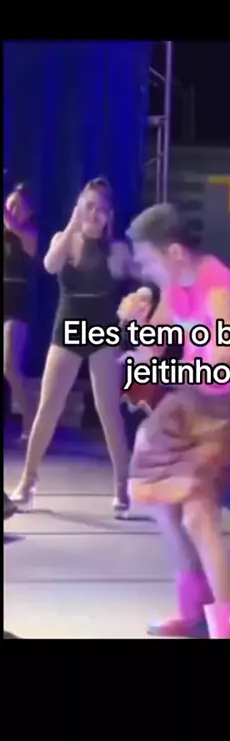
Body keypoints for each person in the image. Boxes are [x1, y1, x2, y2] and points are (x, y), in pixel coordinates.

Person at [118, 204, 230, 639]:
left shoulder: (221, 288)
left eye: (147, 260)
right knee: (162, 500)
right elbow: (150, 351)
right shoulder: (175, 285)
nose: (143, 271)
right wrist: (134, 326)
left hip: (223, 408)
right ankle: (193, 608)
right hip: (191, 399)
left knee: (199, 516)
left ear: (174, 252)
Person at [10, 178, 132, 518]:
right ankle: (28, 480)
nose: (94, 213)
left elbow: (134, 284)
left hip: (102, 332)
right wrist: (71, 225)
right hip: (67, 330)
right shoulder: (61, 240)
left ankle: (122, 485)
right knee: (48, 407)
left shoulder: (115, 249)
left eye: (100, 209)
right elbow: (50, 265)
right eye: (88, 206)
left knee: (108, 411)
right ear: (79, 207)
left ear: (109, 215)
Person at [4, 184, 38, 438]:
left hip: (15, 306)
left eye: (19, 206)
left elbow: (14, 226)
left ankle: (30, 420)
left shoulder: (29, 234)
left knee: (9, 366)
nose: (13, 210)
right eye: (10, 205)